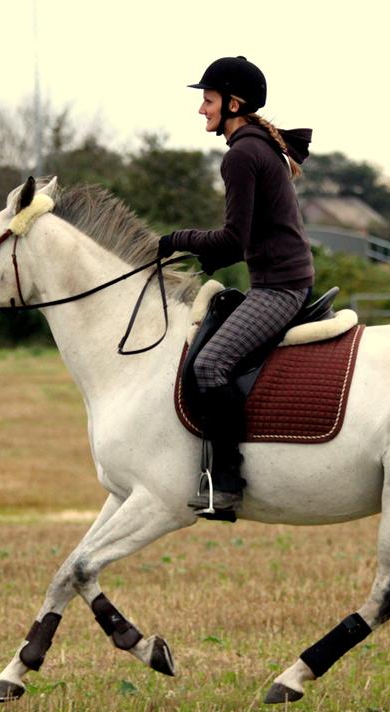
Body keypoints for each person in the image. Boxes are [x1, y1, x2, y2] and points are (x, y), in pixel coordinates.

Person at [157, 55, 314, 521]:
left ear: (233, 103)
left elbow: (231, 240)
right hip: (276, 280)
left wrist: (173, 240)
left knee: (210, 364)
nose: (201, 110)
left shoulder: (243, 154)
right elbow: (234, 247)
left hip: (280, 288)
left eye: (207, 101)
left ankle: (225, 482)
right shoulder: (255, 147)